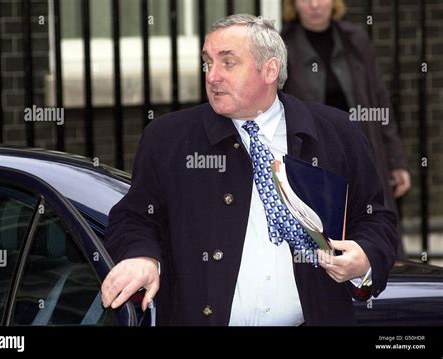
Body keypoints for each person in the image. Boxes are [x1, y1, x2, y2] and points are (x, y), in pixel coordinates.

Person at [101, 14, 398, 326]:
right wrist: (142, 256)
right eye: (207, 63)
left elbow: (375, 218)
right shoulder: (168, 138)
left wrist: (364, 257)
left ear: (269, 70)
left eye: (228, 63)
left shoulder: (336, 133)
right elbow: (134, 217)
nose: (212, 76)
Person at [281, 0, 410, 259]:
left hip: (362, 149)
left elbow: (379, 98)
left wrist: (396, 160)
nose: (315, 5)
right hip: (313, 156)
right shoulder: (283, 44)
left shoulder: (356, 39)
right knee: (322, 235)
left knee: (375, 225)